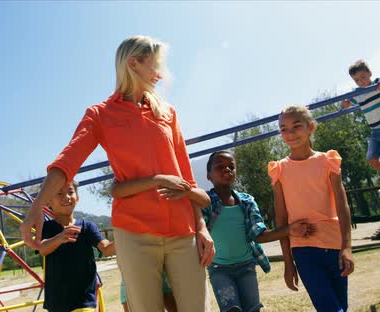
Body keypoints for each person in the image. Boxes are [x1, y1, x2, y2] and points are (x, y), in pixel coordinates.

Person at [20, 35, 213, 312]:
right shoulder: (100, 114)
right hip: (134, 233)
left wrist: (202, 227)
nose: (160, 74)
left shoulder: (168, 112)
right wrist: (37, 206)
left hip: (183, 230)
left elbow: (186, 177)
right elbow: (67, 161)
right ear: (133, 64)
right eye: (155, 65)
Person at [202, 150, 314, 312]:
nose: (227, 169)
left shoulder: (247, 202)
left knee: (253, 309)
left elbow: (259, 236)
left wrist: (290, 229)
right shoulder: (205, 203)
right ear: (209, 175)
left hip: (246, 266)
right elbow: (197, 230)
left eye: (231, 167)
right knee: (231, 309)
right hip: (219, 269)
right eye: (220, 167)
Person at [268, 105, 354, 312]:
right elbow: (282, 218)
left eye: (296, 126)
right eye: (283, 129)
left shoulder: (328, 161)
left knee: (341, 306)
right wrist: (288, 263)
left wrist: (347, 247)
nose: (290, 134)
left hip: (335, 246)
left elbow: (342, 206)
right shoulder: (279, 169)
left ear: (311, 127)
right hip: (303, 249)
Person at [37, 180, 115, 312]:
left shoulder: (87, 227)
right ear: (48, 201)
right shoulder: (46, 227)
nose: (66, 197)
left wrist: (125, 236)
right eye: (59, 193)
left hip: (83, 301)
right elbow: (42, 249)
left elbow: (106, 249)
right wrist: (60, 237)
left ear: (77, 198)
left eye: (70, 192)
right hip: (57, 302)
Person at [341, 60, 380, 191]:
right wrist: (345, 103)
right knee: (371, 159)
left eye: (363, 77)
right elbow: (346, 102)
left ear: (370, 74)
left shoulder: (378, 83)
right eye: (357, 80)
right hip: (375, 131)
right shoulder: (358, 94)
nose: (361, 82)